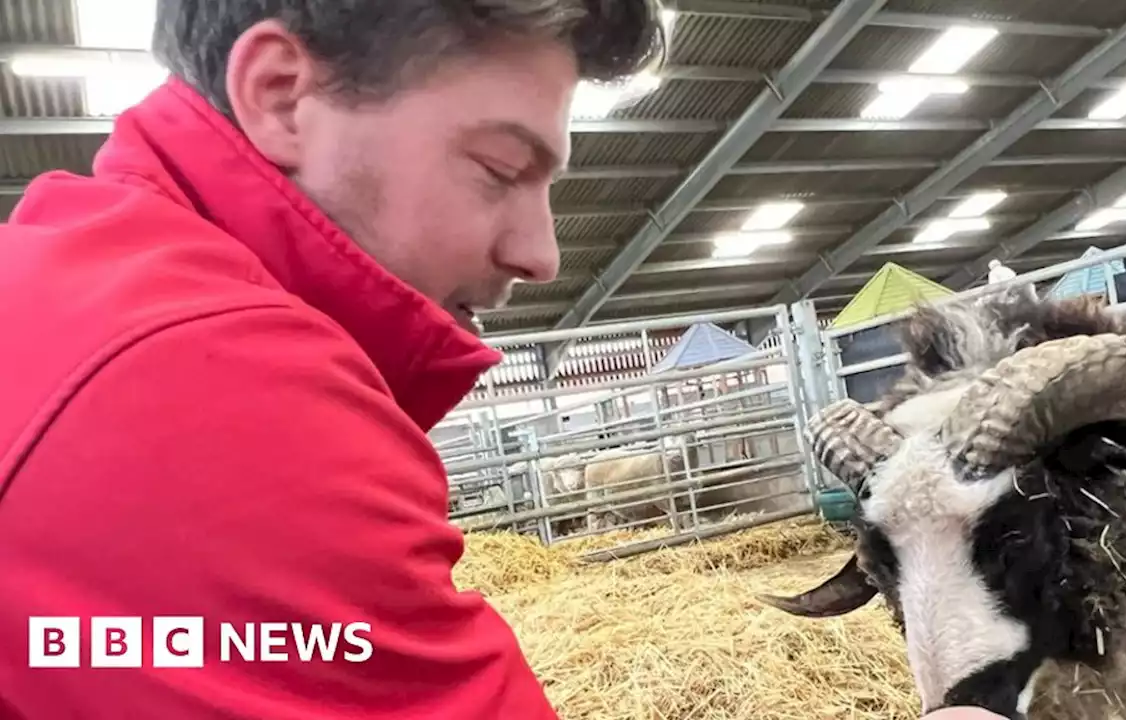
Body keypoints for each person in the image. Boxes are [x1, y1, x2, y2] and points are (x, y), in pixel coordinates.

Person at [0, 1, 662, 717]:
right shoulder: (223, 385)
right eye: (500, 168)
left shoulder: (71, 286)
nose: (542, 254)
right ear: (282, 97)